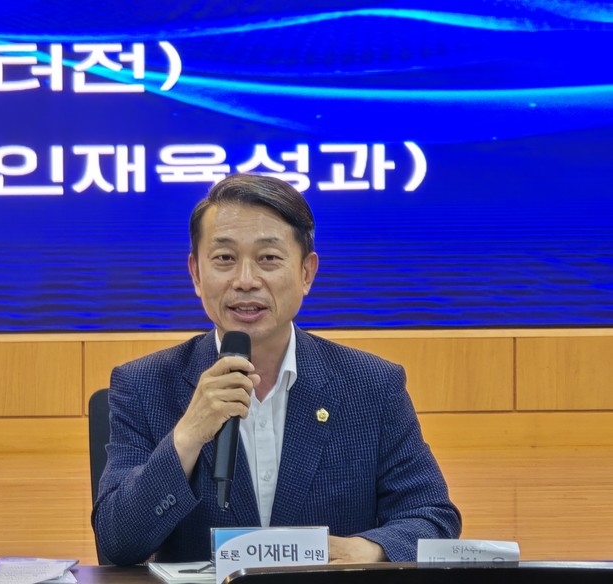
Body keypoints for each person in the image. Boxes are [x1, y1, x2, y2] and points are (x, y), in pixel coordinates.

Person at [93, 173, 461, 565]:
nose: (245, 281)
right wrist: (187, 436)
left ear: (306, 273)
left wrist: (362, 550)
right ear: (196, 274)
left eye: (268, 258)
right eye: (224, 259)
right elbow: (117, 543)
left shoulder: (372, 386)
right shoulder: (144, 385)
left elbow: (431, 518)